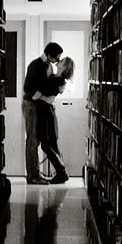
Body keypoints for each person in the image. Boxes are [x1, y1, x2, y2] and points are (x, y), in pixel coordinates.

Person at [22, 42, 63, 184]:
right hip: (31, 105)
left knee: (36, 140)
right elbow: (28, 89)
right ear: (49, 55)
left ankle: (35, 174)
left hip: (37, 105)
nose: (57, 61)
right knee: (32, 141)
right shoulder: (35, 65)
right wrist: (45, 97)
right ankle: (33, 176)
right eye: (57, 58)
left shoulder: (47, 66)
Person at [33, 56, 74, 184]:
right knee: (52, 145)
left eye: (61, 61)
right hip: (47, 111)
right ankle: (62, 172)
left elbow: (39, 93)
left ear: (65, 67)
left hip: (45, 112)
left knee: (46, 145)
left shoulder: (57, 80)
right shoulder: (56, 79)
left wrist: (38, 95)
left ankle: (62, 172)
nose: (58, 61)